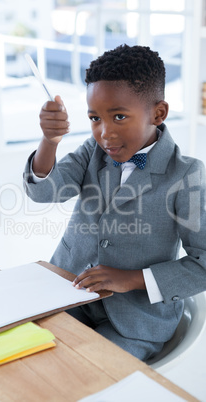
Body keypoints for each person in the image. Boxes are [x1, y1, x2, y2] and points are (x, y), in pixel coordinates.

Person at [23, 44, 206, 361]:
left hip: (134, 322)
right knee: (24, 357)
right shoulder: (91, 152)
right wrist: (49, 142)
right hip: (68, 294)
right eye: (95, 118)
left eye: (119, 116)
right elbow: (43, 191)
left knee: (86, 374)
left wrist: (131, 279)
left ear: (158, 113)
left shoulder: (186, 174)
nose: (104, 133)